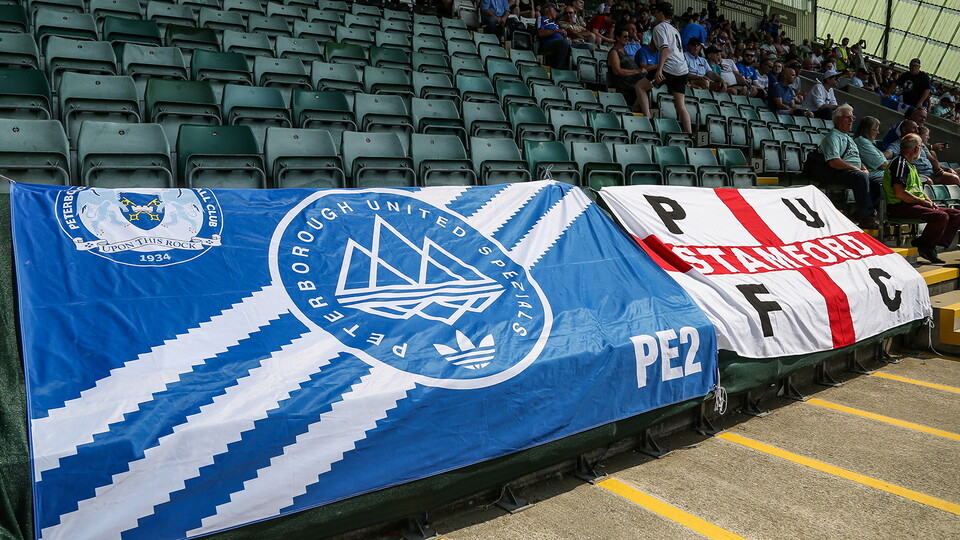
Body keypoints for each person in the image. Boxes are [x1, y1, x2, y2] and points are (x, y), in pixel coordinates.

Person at [883, 133, 960, 263]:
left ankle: (930, 244)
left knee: (956, 214)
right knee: (941, 216)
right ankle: (927, 246)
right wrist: (923, 202)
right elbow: (899, 193)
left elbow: (917, 190)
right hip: (900, 206)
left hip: (913, 204)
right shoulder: (899, 164)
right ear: (916, 149)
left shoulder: (910, 165)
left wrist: (929, 202)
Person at [820, 104, 881, 228]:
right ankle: (866, 217)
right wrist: (856, 169)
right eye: (847, 117)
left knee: (878, 181)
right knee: (860, 177)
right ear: (837, 120)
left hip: (853, 171)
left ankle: (859, 213)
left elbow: (855, 158)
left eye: (852, 117)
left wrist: (863, 168)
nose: (851, 120)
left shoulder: (849, 138)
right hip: (837, 172)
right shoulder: (833, 137)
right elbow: (834, 161)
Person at [635, 2, 691, 133]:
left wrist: (659, 70)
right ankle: (689, 135)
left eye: (656, 13)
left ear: (661, 14)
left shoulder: (659, 27)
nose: (654, 16)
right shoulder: (675, 29)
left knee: (640, 86)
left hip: (669, 69)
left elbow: (665, 50)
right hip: (682, 70)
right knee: (680, 106)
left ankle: (648, 119)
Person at [607, 24, 648, 111]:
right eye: (625, 36)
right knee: (646, 82)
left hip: (632, 79)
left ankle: (638, 105)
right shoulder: (614, 52)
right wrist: (637, 71)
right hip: (622, 81)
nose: (627, 39)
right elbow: (617, 71)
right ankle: (635, 106)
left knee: (650, 81)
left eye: (628, 37)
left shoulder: (624, 51)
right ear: (618, 38)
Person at [853, 116, 888, 181]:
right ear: (867, 129)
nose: (878, 132)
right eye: (875, 129)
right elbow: (882, 165)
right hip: (876, 176)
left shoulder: (867, 142)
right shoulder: (861, 141)